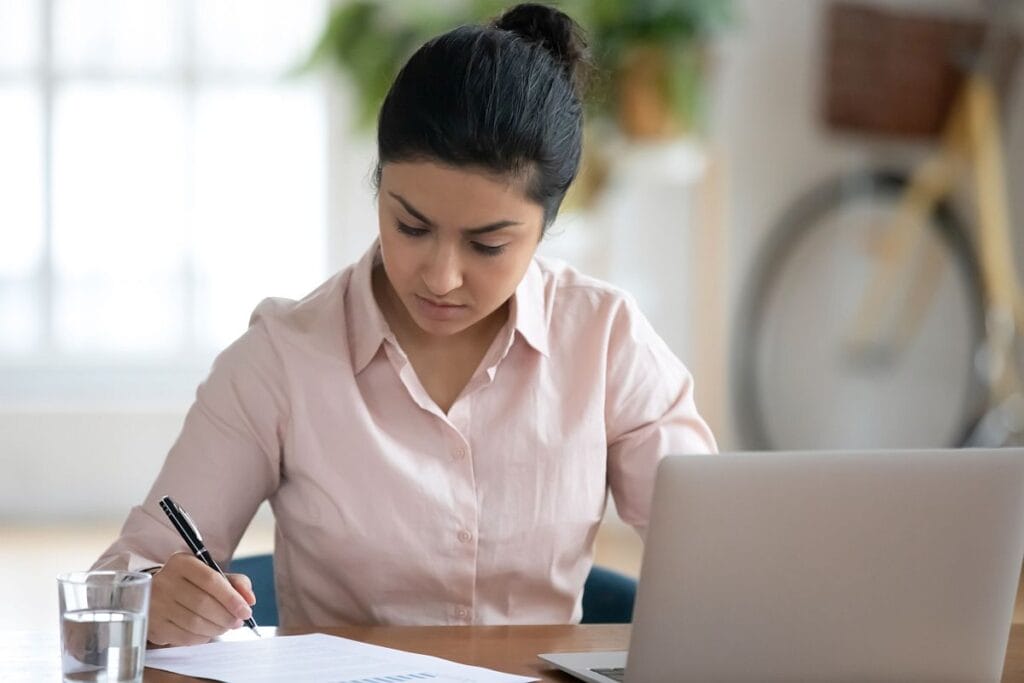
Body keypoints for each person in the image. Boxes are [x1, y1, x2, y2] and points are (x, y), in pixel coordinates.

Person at [93, 2, 717, 646]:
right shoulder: (282, 357)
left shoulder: (605, 339)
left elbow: (722, 558)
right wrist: (156, 598)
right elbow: (119, 583)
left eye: (488, 245)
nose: (441, 276)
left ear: (546, 227)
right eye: (411, 227)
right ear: (379, 187)